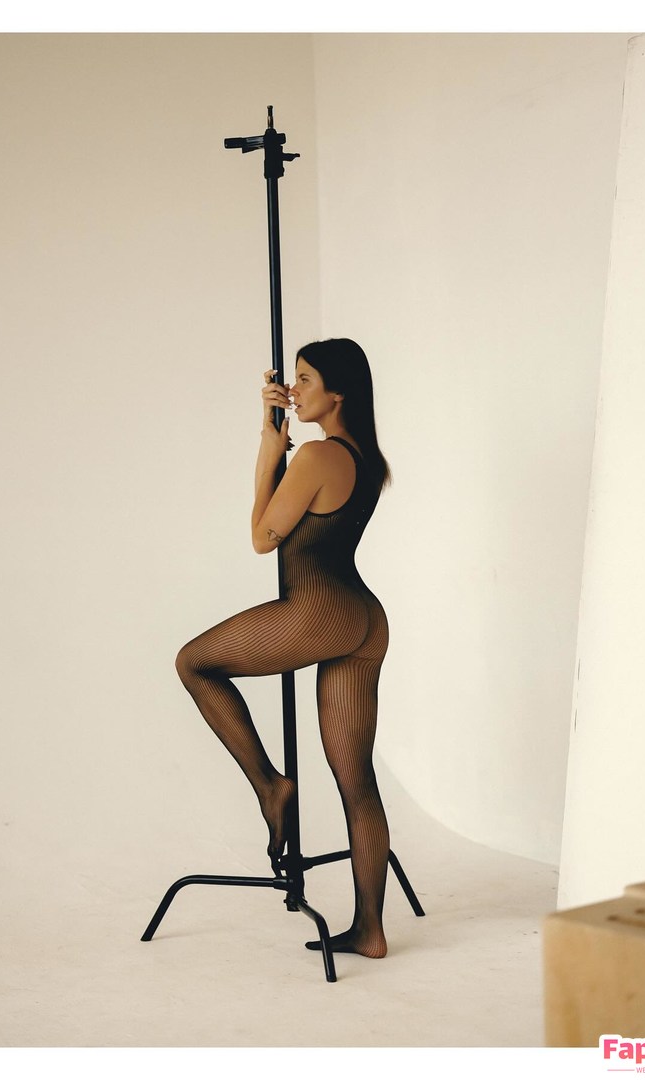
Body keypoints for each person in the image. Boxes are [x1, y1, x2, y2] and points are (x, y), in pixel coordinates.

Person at [175, 338, 392, 959]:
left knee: (194, 662)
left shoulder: (318, 456)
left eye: (305, 379)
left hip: (318, 610)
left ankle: (271, 786)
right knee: (357, 782)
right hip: (364, 620)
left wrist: (269, 451)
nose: (294, 391)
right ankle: (371, 931)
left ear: (338, 392)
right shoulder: (367, 459)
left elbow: (262, 537)